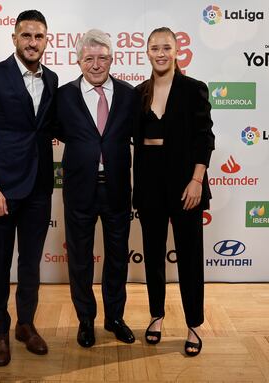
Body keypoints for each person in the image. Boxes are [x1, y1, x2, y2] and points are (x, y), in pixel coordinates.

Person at [0, 10, 58, 366]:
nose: (32, 42)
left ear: (46, 40)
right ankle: (1, 331)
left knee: (31, 263)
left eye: (39, 36)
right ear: (14, 38)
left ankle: (25, 324)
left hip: (40, 187)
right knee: (0, 263)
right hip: (3, 189)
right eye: (26, 36)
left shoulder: (52, 80)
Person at [133, 27, 215, 357]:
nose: (161, 52)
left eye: (167, 47)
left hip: (185, 184)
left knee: (190, 256)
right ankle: (156, 316)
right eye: (155, 48)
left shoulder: (194, 89)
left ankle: (194, 323)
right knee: (153, 254)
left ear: (177, 50)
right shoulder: (138, 93)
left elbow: (205, 138)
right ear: (147, 52)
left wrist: (196, 180)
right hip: (150, 182)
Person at [55, 29, 136, 347]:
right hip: (78, 190)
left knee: (117, 257)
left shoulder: (130, 95)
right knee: (79, 259)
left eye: (102, 57)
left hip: (117, 188)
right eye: (89, 58)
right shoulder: (63, 96)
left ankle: (115, 318)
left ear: (112, 59)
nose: (96, 64)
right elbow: (55, 130)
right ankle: (85, 320)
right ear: (78, 61)